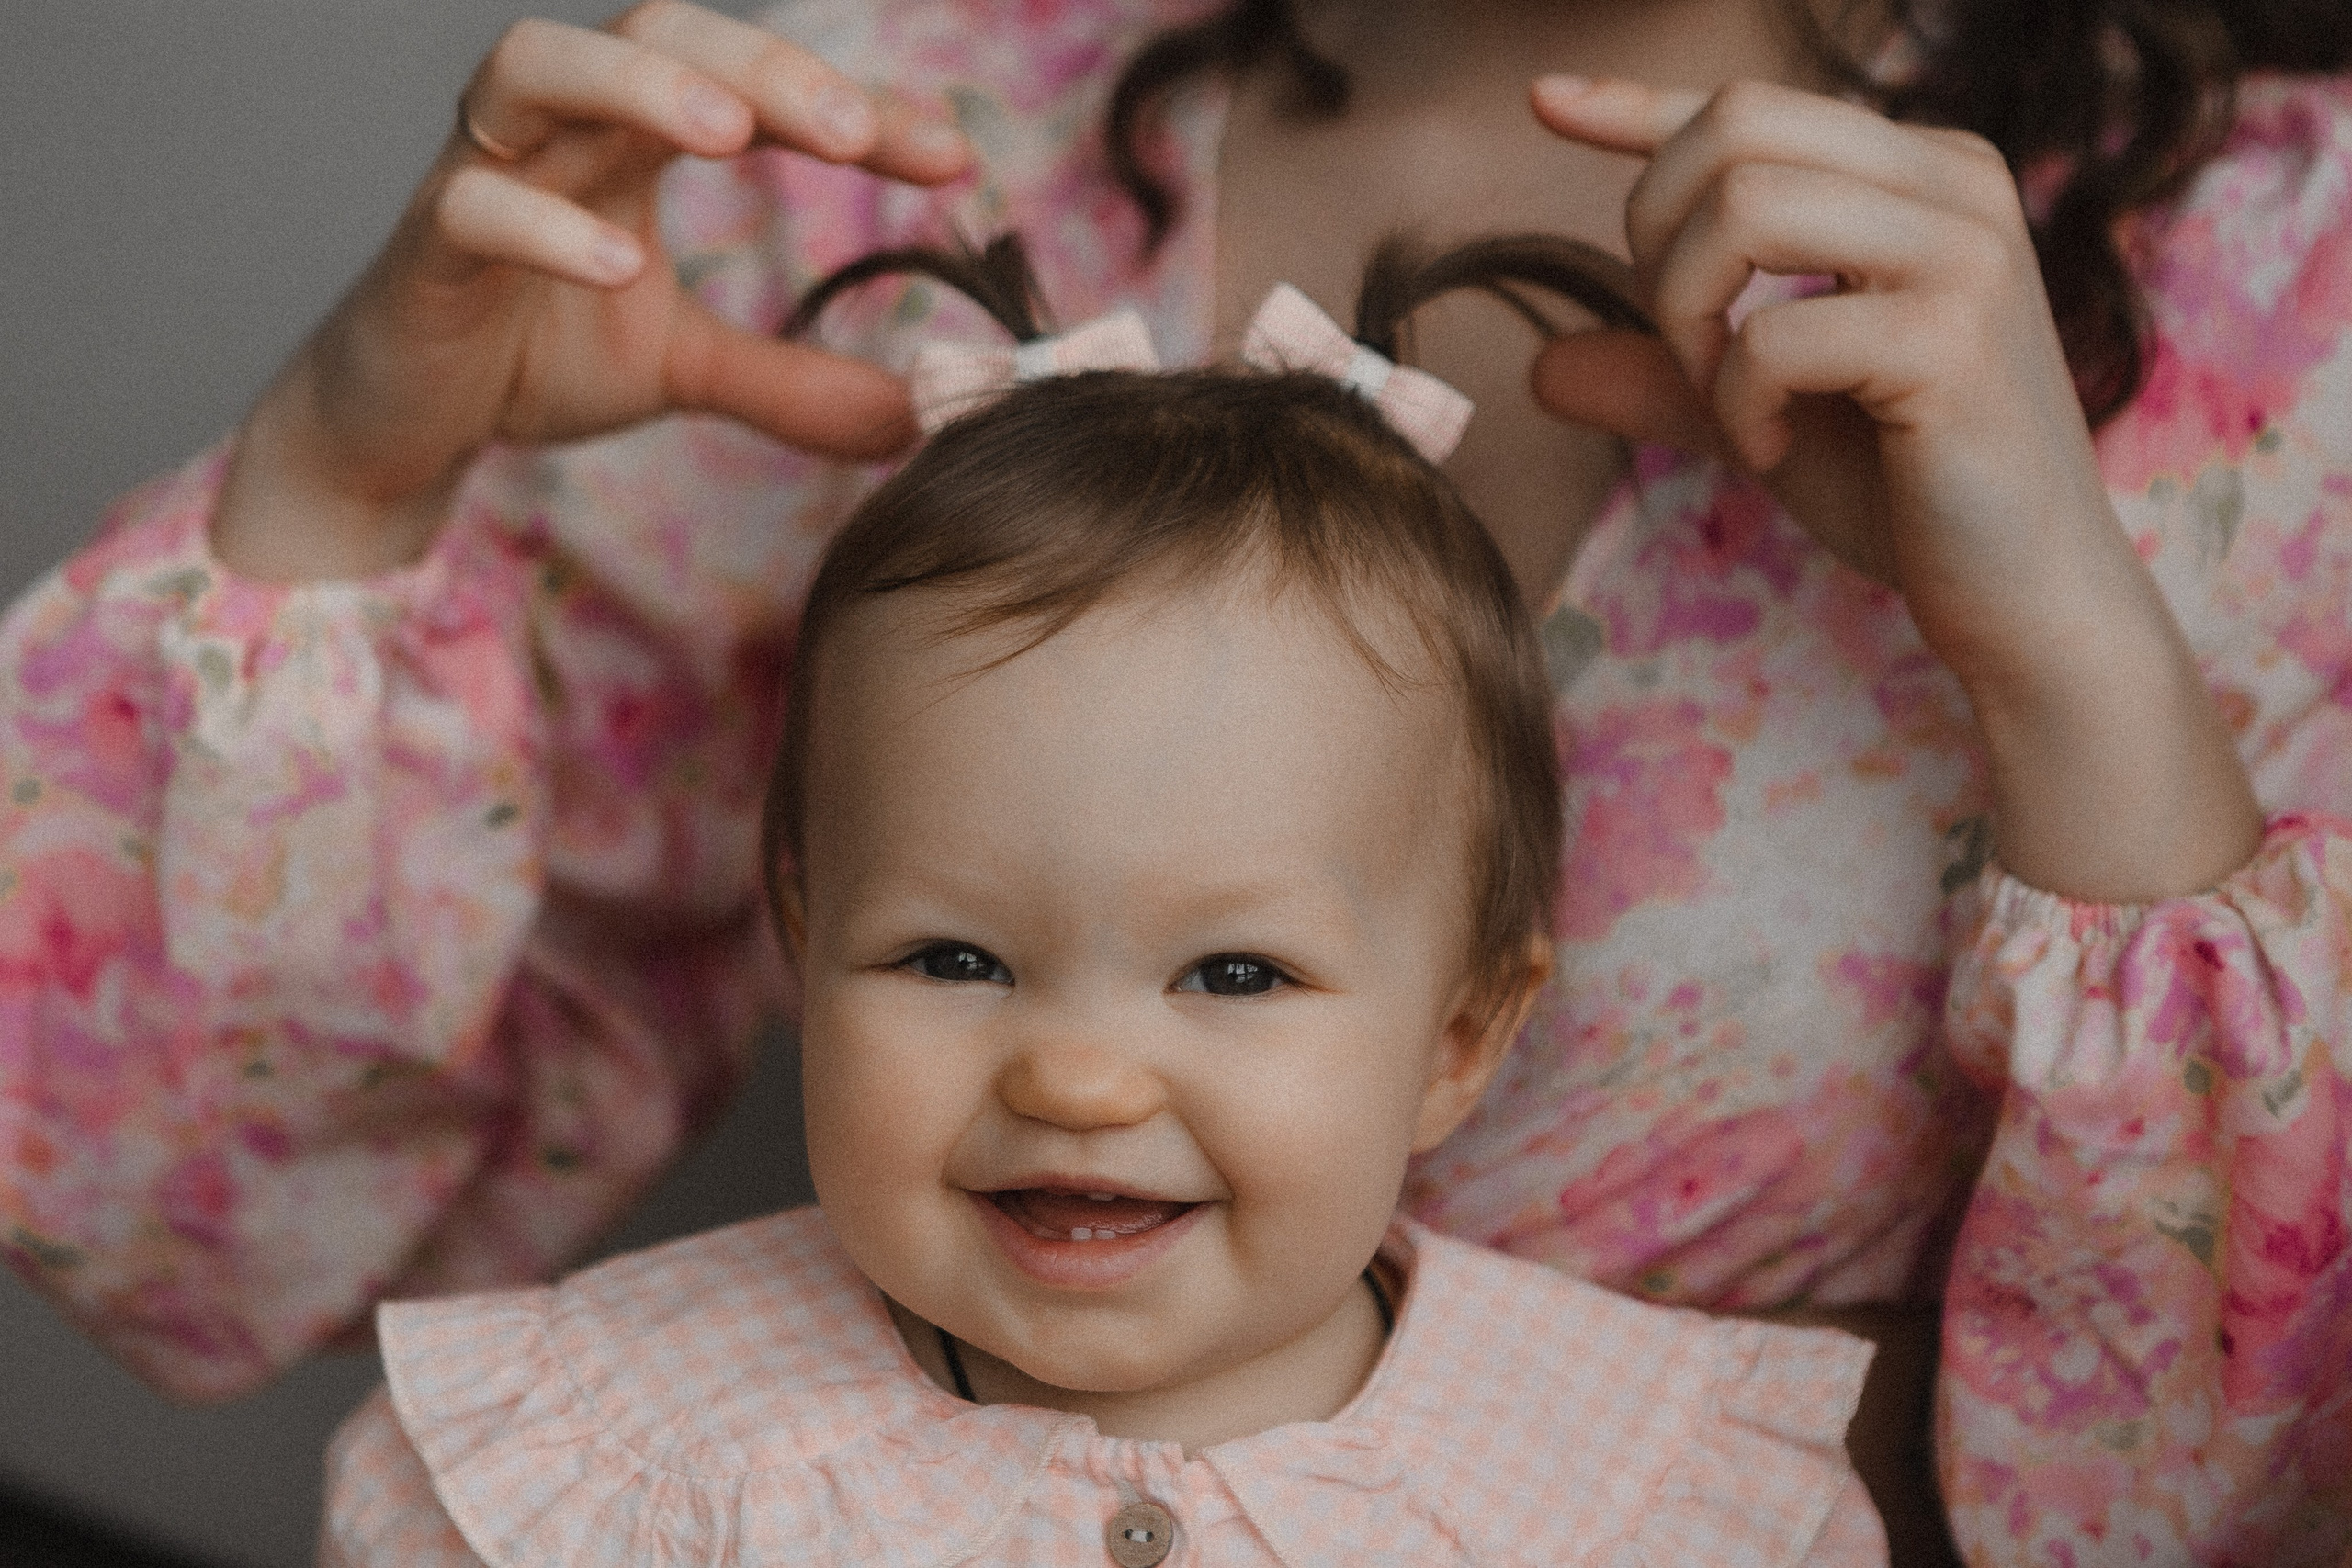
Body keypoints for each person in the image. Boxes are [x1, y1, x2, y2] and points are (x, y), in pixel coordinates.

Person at [0, 0, 2346, 1562]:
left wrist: (2063, 639)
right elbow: (212, 1201)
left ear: (1472, 1012)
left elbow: (2226, 1495)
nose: (1093, 1067)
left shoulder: (2280, 270)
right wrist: (346, 470)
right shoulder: (873, 142)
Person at [315, 250, 1886, 1567]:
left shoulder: (1657, 1499)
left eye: (1235, 972)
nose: (1077, 1079)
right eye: (955, 958)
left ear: (1458, 1038)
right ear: (804, 938)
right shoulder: (602, 1466)